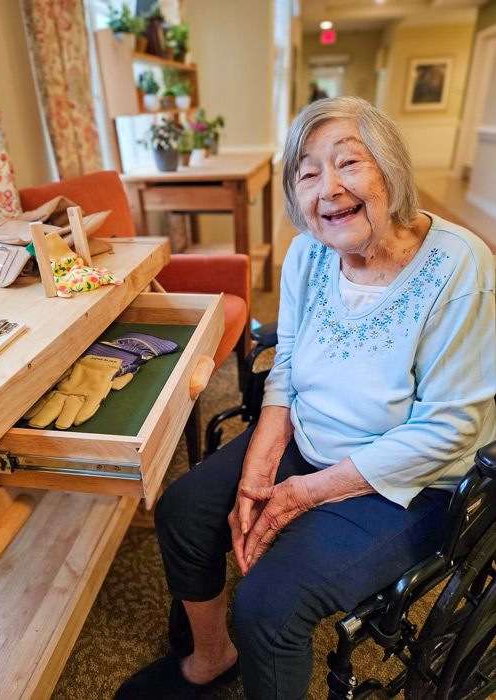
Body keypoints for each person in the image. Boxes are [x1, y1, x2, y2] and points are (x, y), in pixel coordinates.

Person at [114, 96, 496, 700]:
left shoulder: (460, 267)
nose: (329, 188)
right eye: (308, 172)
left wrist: (303, 492)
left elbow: (447, 429)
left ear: (390, 168)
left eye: (349, 163)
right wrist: (263, 456)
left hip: (409, 481)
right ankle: (211, 658)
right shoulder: (306, 254)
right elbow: (287, 365)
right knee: (183, 511)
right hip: (310, 436)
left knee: (268, 608)